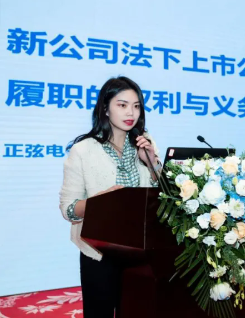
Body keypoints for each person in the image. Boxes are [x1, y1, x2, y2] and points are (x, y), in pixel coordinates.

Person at [59, 76, 161, 318]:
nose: (131, 113)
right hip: (99, 250)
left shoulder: (145, 144)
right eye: (122, 105)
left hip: (141, 251)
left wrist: (152, 163)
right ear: (105, 109)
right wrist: (101, 202)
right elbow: (68, 209)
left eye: (136, 106)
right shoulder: (83, 150)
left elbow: (164, 195)